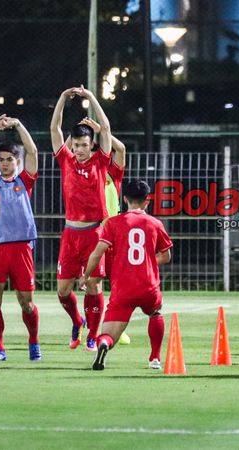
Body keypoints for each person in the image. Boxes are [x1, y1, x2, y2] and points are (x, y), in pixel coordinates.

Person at [0, 115, 42, 362]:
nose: (4, 164)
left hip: (21, 248)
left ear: (17, 161)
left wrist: (19, 125)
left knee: (26, 302)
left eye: (9, 160)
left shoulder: (25, 180)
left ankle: (34, 343)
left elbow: (33, 150)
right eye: (0, 160)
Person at [84, 179, 173, 371]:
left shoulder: (114, 223)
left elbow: (97, 253)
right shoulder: (155, 223)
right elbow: (166, 256)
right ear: (147, 201)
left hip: (123, 287)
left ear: (125, 199)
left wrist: (85, 276)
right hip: (148, 285)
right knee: (155, 312)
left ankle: (104, 346)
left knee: (108, 335)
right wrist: (147, 262)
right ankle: (155, 358)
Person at [50, 86, 113, 351]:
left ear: (91, 145)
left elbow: (107, 129)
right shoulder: (65, 160)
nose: (79, 150)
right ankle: (78, 321)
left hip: (95, 233)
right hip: (70, 233)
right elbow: (55, 129)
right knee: (63, 290)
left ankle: (93, 334)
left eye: (84, 145)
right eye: (75, 145)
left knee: (92, 285)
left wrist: (92, 99)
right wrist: (63, 97)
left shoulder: (100, 161)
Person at [82, 117, 132, 346]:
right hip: (94, 233)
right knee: (93, 283)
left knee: (120, 285)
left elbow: (120, 148)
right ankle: (93, 330)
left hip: (116, 234)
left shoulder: (112, 171)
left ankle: (116, 328)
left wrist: (101, 130)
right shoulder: (82, 170)